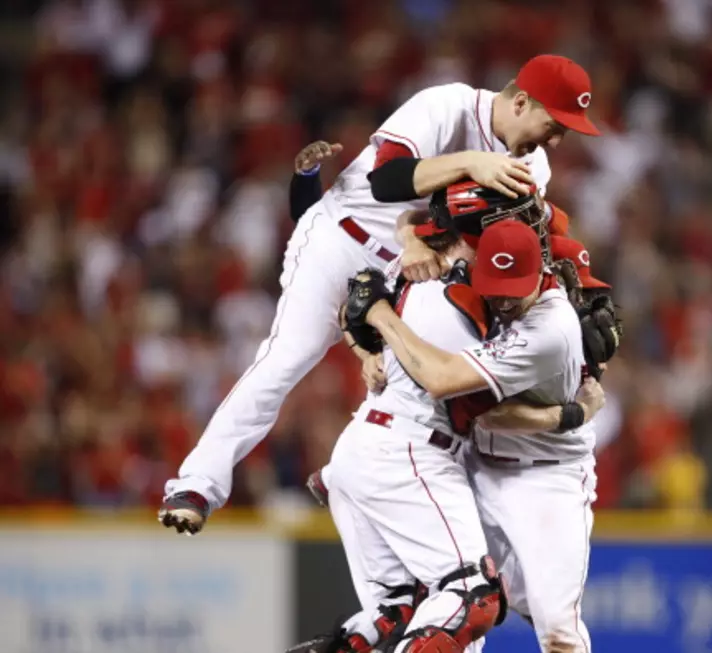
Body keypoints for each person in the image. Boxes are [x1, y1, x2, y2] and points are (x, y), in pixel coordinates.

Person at [158, 54, 601, 534]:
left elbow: (489, 245)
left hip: (408, 269)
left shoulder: (533, 165)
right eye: (554, 123)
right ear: (519, 102)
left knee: (435, 371)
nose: (556, 139)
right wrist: (470, 162)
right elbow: (386, 181)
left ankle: (346, 473)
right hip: (341, 241)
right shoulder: (446, 106)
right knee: (288, 357)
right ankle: (197, 484)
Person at [293, 210, 605, 653]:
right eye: (496, 290)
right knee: (464, 601)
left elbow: (359, 313)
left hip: (529, 472)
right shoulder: (458, 289)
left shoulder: (545, 326)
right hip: (442, 459)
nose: (504, 302)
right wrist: (377, 328)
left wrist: (375, 328)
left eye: (515, 290)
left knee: (421, 611)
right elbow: (400, 235)